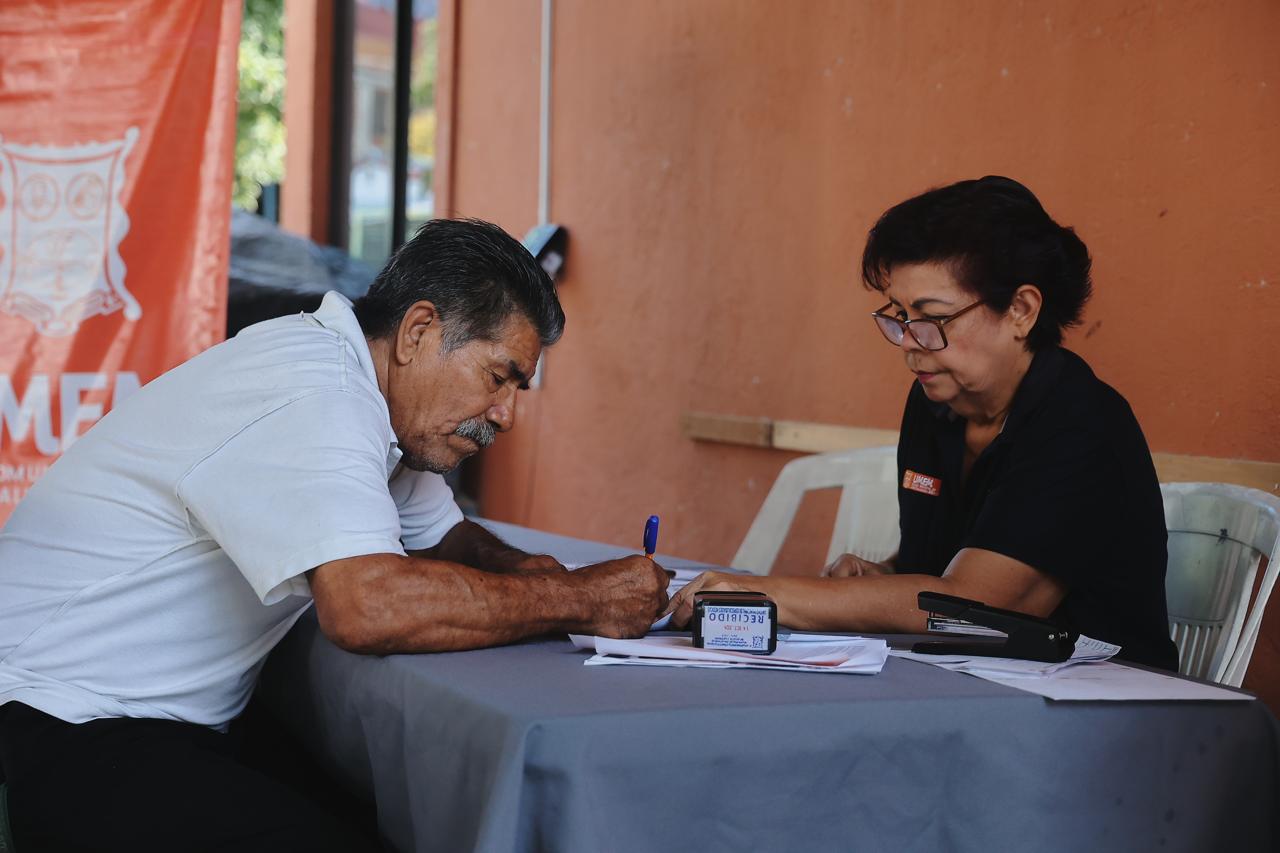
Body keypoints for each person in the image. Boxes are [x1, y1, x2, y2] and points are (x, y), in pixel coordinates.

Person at [0, 218, 669, 851]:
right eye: (499, 377)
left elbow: (449, 541)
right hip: (54, 717)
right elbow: (366, 606)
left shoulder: (375, 401)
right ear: (418, 332)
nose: (506, 414)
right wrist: (578, 599)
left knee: (385, 820)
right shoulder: (318, 392)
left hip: (149, 716)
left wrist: (550, 577)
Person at [668, 176, 1178, 672]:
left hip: (1102, 706)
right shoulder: (938, 400)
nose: (911, 342)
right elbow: (949, 565)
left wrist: (771, 593)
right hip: (964, 681)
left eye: (932, 318)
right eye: (900, 316)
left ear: (1021, 310)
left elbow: (975, 607)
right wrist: (884, 576)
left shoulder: (1081, 424)